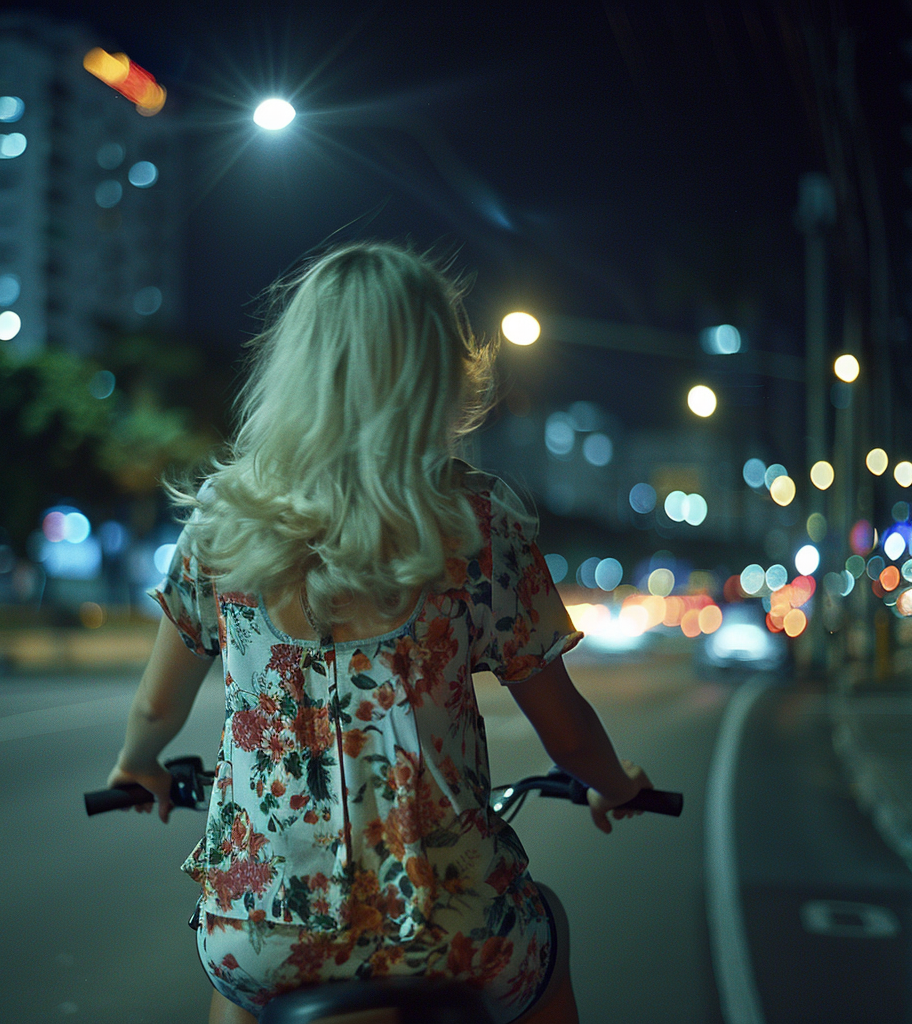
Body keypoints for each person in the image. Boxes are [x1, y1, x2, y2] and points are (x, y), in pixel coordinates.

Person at [106, 240, 654, 1024]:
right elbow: (565, 731)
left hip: (261, 935)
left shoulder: (224, 526)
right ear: (435, 371)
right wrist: (616, 784)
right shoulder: (480, 525)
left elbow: (157, 712)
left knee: (238, 986)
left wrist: (137, 765)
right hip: (450, 931)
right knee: (548, 935)